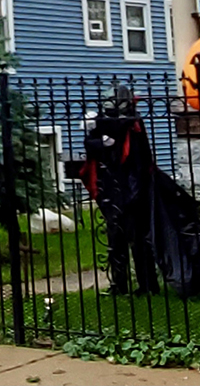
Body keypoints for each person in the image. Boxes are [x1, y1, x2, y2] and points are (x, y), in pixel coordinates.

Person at [80, 86, 160, 294]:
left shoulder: (132, 123)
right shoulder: (105, 123)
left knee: (139, 240)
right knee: (116, 239)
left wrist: (96, 124)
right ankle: (119, 284)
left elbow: (140, 155)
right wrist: (101, 139)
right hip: (110, 188)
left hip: (133, 188)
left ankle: (148, 284)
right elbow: (90, 144)